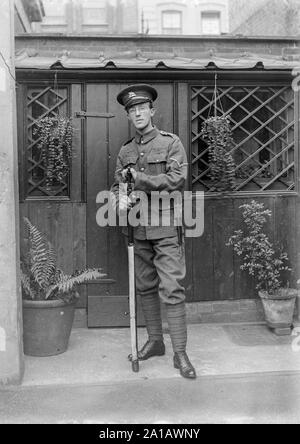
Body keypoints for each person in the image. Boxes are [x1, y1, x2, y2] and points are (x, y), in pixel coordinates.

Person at [111, 84, 196, 379]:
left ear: (151, 111)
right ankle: (156, 342)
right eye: (132, 111)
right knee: (145, 287)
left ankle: (180, 353)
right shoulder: (125, 151)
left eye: (141, 109)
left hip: (165, 226)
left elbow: (177, 179)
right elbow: (117, 185)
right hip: (136, 229)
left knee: (171, 288)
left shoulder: (171, 143)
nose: (137, 114)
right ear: (129, 116)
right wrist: (121, 196)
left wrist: (142, 180)